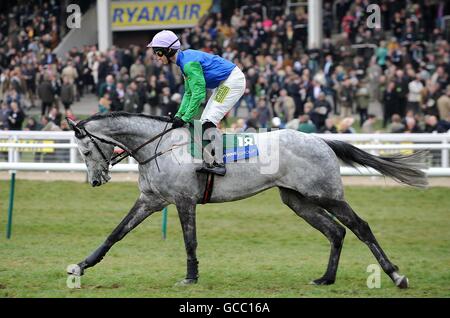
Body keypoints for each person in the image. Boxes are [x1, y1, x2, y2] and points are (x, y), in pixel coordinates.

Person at [148, 30, 246, 176]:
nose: (156, 57)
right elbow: (188, 93)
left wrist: (185, 118)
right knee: (203, 122)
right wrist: (179, 115)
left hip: (232, 81)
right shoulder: (183, 62)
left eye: (158, 53)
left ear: (169, 50)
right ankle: (210, 159)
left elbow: (199, 95)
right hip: (225, 82)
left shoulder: (188, 64)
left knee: (207, 122)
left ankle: (219, 163)